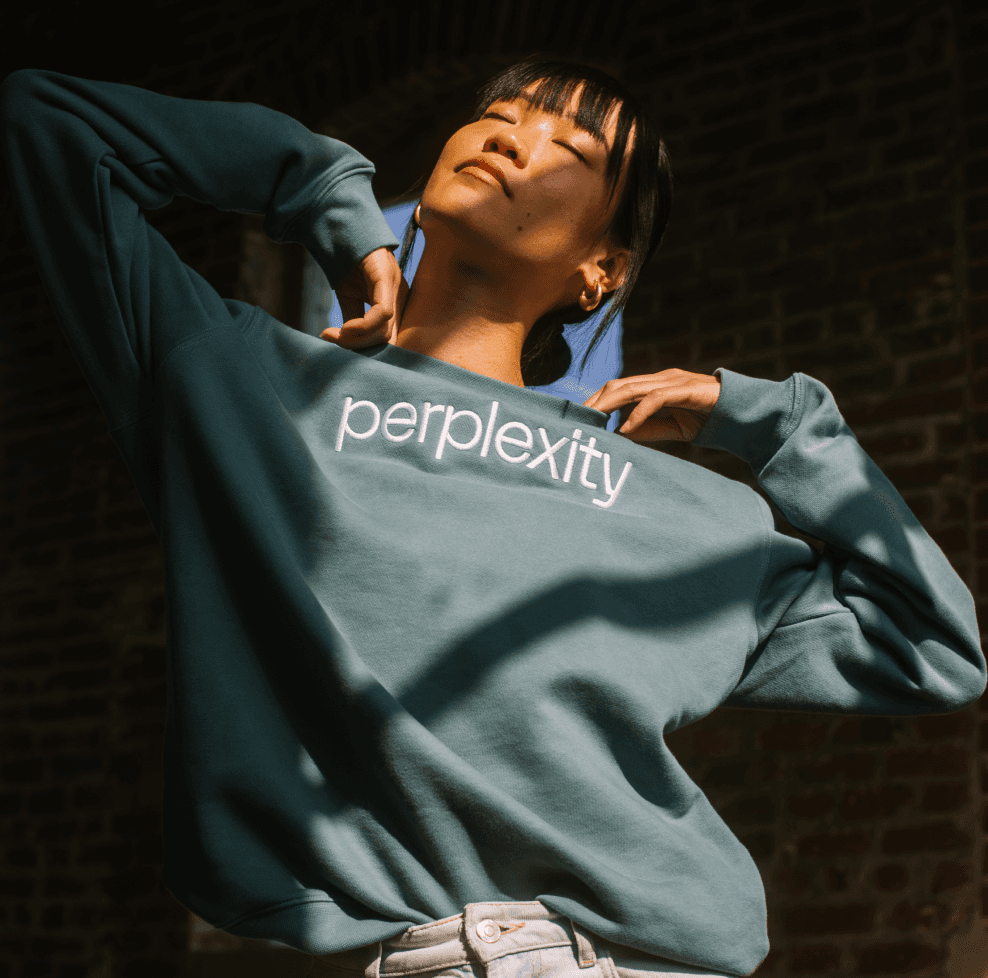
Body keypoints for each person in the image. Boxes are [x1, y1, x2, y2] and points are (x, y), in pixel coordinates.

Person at [1, 58, 984, 978]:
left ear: (601, 271)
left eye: (571, 146)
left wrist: (778, 426)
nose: (511, 138)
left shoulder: (681, 506)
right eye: (498, 114)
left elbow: (929, 646)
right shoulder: (240, 378)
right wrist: (316, 182)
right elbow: (47, 121)